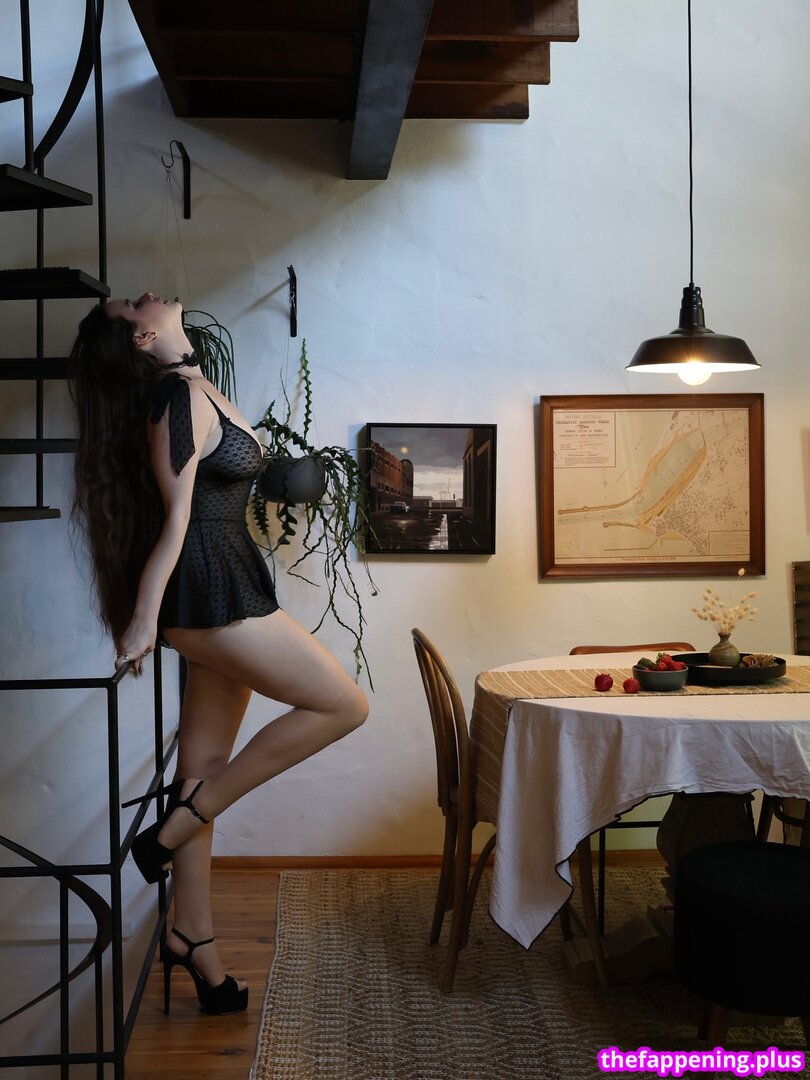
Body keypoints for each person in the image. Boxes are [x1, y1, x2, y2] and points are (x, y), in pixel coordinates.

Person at [70, 293, 368, 1015]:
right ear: (142, 337)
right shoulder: (174, 400)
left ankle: (193, 941)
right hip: (210, 594)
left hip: (226, 582)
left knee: (201, 763)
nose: (145, 294)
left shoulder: (193, 387)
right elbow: (177, 519)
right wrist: (144, 620)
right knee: (345, 705)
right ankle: (177, 827)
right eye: (131, 304)